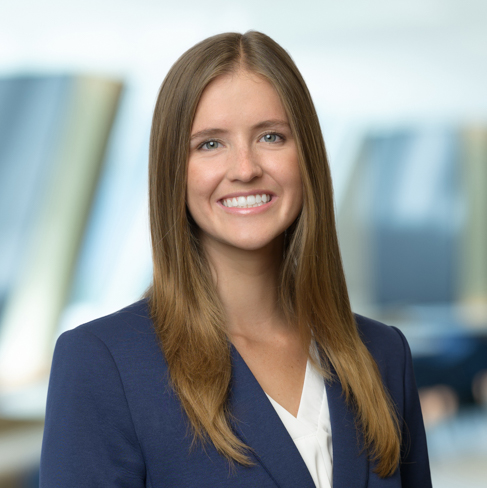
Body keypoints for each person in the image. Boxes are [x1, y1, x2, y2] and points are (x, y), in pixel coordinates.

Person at [39, 31, 432, 487]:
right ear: (173, 171)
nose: (245, 168)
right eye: (210, 144)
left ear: (306, 156)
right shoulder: (103, 364)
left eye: (271, 136)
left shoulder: (382, 355)